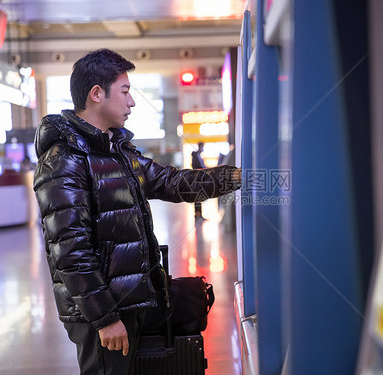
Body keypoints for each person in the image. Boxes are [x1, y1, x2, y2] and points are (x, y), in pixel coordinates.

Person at [33, 49, 241, 375]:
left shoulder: (118, 152)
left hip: (126, 299)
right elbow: (70, 250)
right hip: (101, 312)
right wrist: (105, 319)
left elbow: (172, 182)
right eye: (126, 92)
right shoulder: (64, 159)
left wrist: (234, 177)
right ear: (96, 94)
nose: (131, 103)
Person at [191, 142, 206, 220]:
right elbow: (197, 167)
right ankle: (197, 214)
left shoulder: (199, 156)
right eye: (202, 146)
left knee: (199, 197)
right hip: (197, 179)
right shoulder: (196, 155)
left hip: (200, 178)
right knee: (197, 197)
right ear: (200, 146)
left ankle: (199, 214)